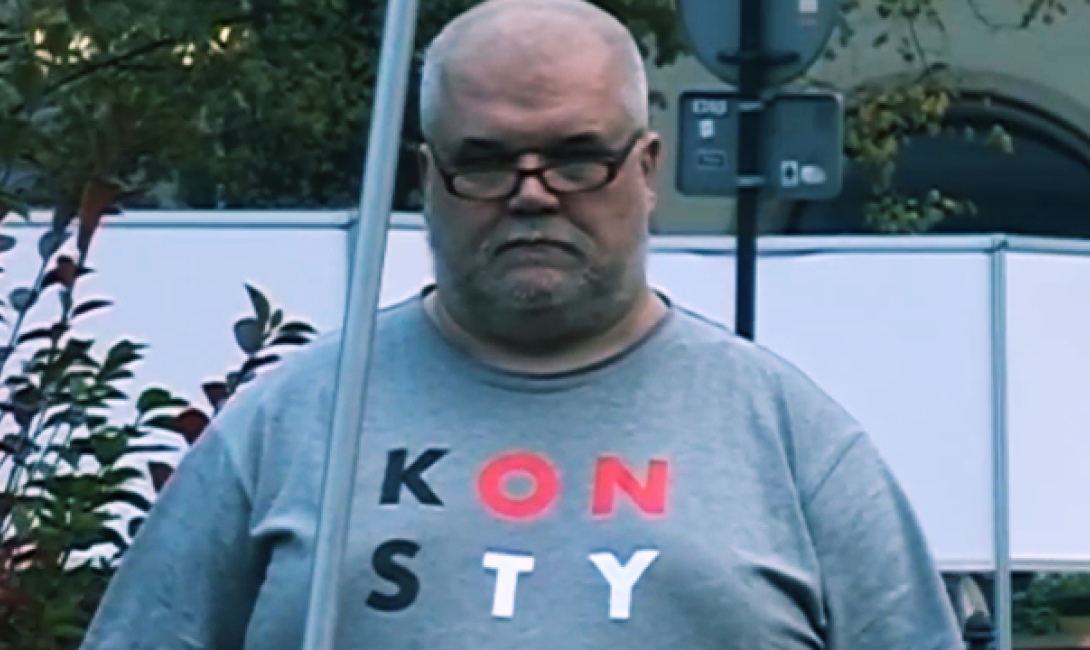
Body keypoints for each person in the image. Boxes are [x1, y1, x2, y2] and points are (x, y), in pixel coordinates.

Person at [80, 0, 964, 648]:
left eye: (577, 158)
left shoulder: (793, 441)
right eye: (487, 161)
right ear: (427, 179)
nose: (533, 195)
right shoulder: (295, 423)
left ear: (646, 169)